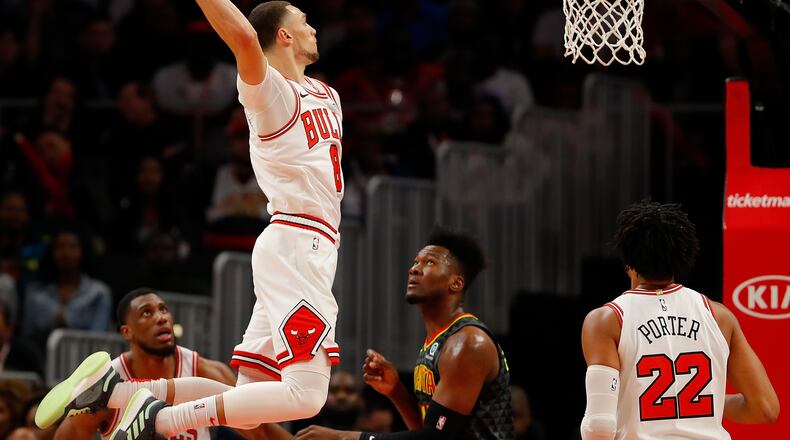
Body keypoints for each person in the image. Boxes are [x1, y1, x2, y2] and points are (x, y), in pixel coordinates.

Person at [36, 1, 345, 438]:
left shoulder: (325, 93)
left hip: (301, 245)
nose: (315, 26)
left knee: (249, 406)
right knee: (307, 395)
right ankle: (159, 419)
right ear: (284, 35)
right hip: (299, 242)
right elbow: (243, 37)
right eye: (304, 21)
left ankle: (118, 390)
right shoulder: (268, 92)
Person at [579, 201, 780, 440]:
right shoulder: (719, 317)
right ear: (684, 256)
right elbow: (765, 409)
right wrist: (698, 398)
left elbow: (599, 427)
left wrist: (670, 398)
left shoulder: (606, 320)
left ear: (628, 262)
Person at [295, 229, 515, 440]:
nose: (414, 269)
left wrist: (343, 436)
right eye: (415, 262)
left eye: (429, 262)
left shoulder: (467, 343)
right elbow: (426, 428)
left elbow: (434, 438)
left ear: (456, 283)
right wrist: (396, 391)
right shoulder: (438, 341)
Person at [51, 288, 291, 440]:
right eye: (147, 313)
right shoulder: (105, 386)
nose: (162, 317)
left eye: (163, 310)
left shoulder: (205, 371)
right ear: (127, 332)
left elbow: (262, 431)